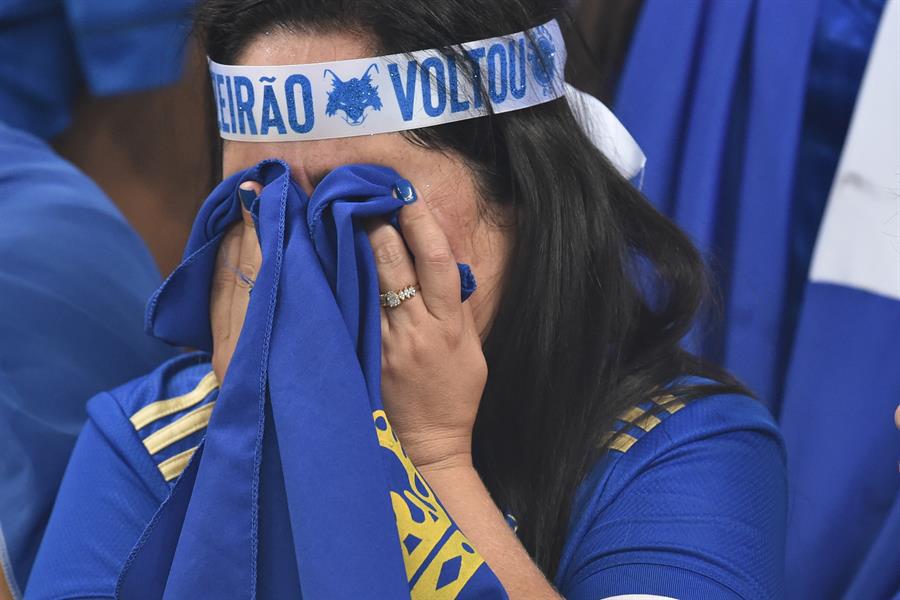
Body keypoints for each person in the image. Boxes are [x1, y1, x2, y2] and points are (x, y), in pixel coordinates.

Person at [28, 1, 787, 598]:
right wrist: (246, 445)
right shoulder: (148, 438)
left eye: (359, 205)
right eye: (260, 205)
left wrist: (431, 461)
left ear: (523, 193)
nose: (304, 261)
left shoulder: (676, 449)